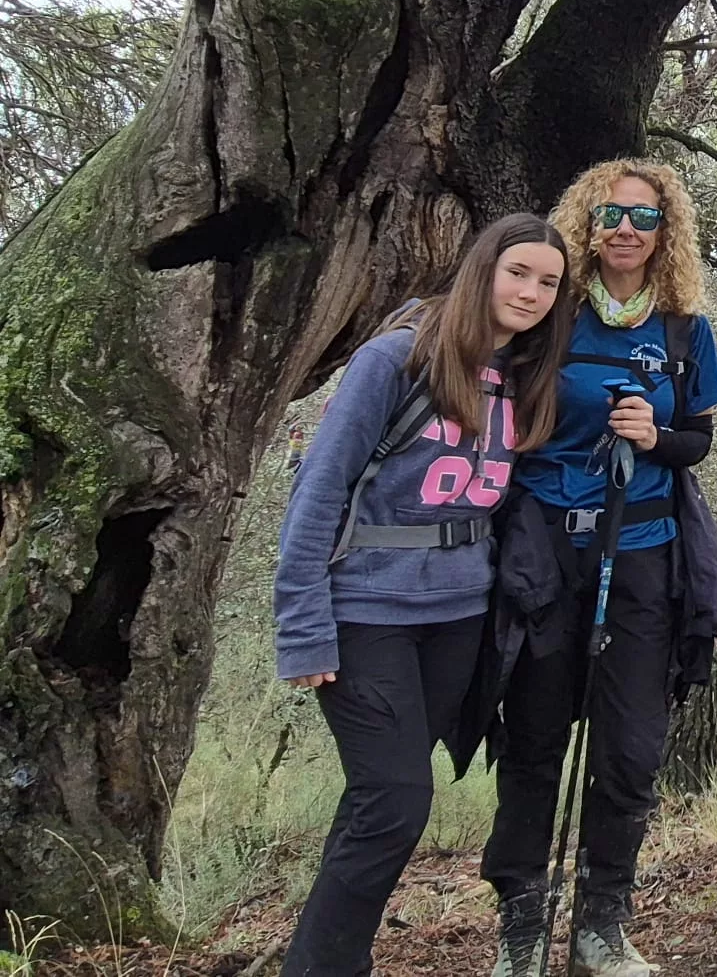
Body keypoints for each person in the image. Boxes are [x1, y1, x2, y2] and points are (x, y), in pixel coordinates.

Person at [273, 213, 574, 977]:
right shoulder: (396, 360)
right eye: (518, 273)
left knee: (382, 805)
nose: (531, 292)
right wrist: (302, 627)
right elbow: (318, 494)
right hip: (366, 613)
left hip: (458, 618)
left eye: (548, 282)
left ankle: (331, 955)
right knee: (396, 801)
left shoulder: (521, 378)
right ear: (483, 269)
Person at [482, 159, 717, 977]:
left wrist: (654, 438)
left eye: (646, 218)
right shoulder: (546, 318)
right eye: (612, 216)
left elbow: (697, 439)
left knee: (629, 748)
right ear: (587, 223)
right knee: (535, 743)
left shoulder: (683, 330)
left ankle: (601, 928)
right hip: (549, 555)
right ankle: (520, 934)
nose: (627, 230)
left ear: (667, 234)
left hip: (644, 559)